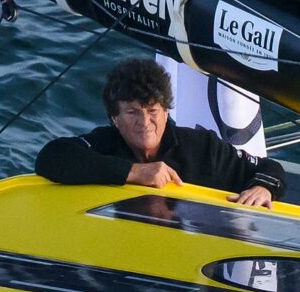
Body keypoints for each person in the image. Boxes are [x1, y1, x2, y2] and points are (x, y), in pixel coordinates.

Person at [35, 58, 285, 207]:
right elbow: (51, 157)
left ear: (166, 112)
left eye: (152, 110)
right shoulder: (106, 142)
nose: (145, 121)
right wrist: (135, 172)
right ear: (115, 119)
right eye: (132, 112)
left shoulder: (200, 147)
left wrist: (263, 189)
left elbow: (269, 169)